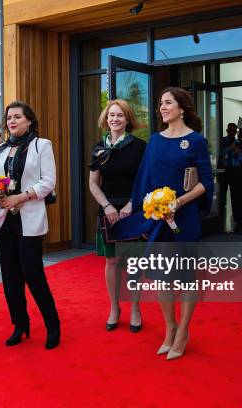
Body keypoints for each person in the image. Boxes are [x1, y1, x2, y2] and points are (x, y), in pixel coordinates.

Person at [120, 87, 213, 360]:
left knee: (185, 278)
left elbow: (206, 183)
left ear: (182, 108)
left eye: (168, 103)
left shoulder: (195, 140)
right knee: (161, 277)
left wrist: (178, 203)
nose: (162, 107)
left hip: (184, 218)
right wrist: (144, 208)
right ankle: (169, 329)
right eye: (161, 103)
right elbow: (144, 181)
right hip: (159, 218)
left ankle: (183, 332)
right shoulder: (155, 141)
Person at [0, 100, 61, 349]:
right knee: (10, 277)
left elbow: (48, 181)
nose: (12, 121)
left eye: (17, 117)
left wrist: (20, 197)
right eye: (9, 117)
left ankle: (53, 325)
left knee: (32, 273)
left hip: (28, 217)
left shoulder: (42, 145)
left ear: (29, 120)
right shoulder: (1, 149)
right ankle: (20, 325)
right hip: (5, 219)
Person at [88, 99, 146, 332]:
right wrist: (108, 206)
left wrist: (132, 204)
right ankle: (114, 308)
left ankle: (135, 308)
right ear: (106, 119)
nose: (115, 119)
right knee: (111, 261)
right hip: (108, 211)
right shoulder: (98, 148)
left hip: (133, 209)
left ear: (128, 119)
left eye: (120, 115)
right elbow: (93, 184)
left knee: (134, 263)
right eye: (111, 115)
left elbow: (145, 181)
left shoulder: (140, 146)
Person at [218, 123, 237, 211]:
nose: (232, 132)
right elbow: (221, 152)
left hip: (233, 169)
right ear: (227, 131)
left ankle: (235, 212)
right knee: (222, 191)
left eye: (233, 130)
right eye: (230, 130)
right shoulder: (222, 140)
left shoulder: (238, 142)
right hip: (223, 169)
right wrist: (231, 148)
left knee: (234, 193)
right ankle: (221, 210)